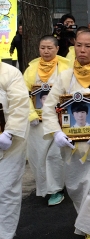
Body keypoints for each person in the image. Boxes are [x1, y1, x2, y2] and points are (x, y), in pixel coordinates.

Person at [41, 31, 90, 239]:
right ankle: (86, 222)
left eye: (87, 46)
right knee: (76, 187)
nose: (82, 50)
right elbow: (49, 107)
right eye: (79, 46)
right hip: (71, 146)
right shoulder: (64, 77)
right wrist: (56, 133)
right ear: (73, 47)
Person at [24, 35, 70, 206]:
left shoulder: (66, 67)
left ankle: (56, 188)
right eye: (42, 47)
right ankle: (44, 187)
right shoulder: (31, 69)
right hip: (37, 122)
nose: (46, 51)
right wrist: (31, 115)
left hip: (58, 120)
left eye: (50, 48)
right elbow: (23, 94)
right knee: (38, 156)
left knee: (55, 156)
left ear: (57, 49)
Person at [0, 60, 30, 239]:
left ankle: (5, 234)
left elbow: (19, 105)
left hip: (9, 143)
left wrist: (9, 132)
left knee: (6, 189)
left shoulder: (10, 73)